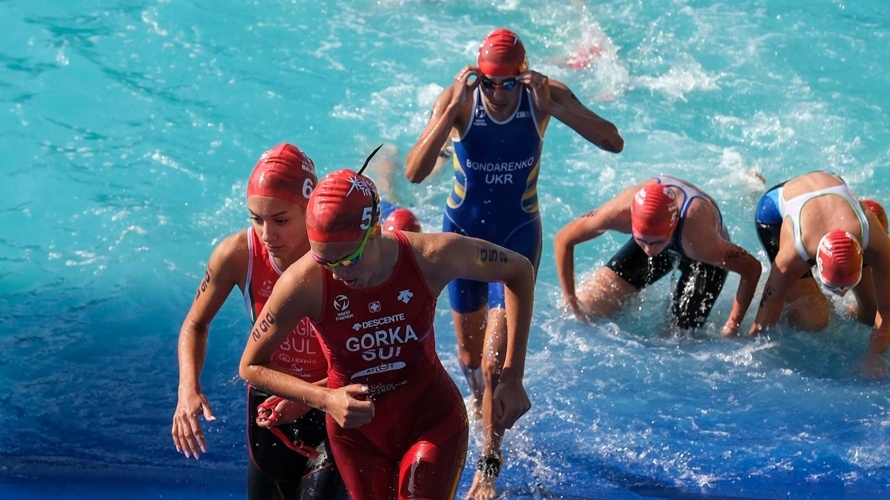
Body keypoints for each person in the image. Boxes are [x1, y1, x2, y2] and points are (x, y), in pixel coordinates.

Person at [404, 27, 624, 498]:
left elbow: (613, 142)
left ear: (523, 77)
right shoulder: (460, 99)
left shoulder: (543, 97)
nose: (499, 94)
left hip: (518, 240)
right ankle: (485, 405)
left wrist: (557, 107)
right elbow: (415, 171)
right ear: (478, 77)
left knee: (495, 366)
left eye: (509, 83)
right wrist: (449, 112)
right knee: (467, 358)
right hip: (462, 238)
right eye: (490, 83)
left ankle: (489, 464)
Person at [239, 162, 535, 500]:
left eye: (347, 260)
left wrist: (512, 376)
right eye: (326, 262)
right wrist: (323, 398)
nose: (338, 276)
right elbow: (251, 365)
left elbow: (520, 271)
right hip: (357, 438)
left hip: (432, 422)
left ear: (375, 230)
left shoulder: (432, 256)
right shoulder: (303, 282)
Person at [171, 143, 347, 499]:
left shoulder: (341, 256)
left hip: (334, 396)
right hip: (270, 401)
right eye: (256, 218)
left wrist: (314, 395)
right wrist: (187, 388)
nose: (267, 235)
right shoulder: (237, 254)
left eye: (280, 220)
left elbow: (375, 355)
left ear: (309, 210)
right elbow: (195, 324)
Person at [554, 176, 762, 336]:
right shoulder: (618, 213)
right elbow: (563, 239)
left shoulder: (700, 240)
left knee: (676, 341)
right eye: (642, 241)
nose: (649, 251)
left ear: (672, 227)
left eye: (656, 243)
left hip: (703, 260)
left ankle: (752, 187)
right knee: (586, 308)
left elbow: (752, 269)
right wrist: (571, 299)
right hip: (664, 233)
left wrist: (732, 326)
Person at [750, 171, 890, 379]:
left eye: (845, 287)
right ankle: (753, 190)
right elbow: (765, 314)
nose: (841, 295)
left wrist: (873, 357)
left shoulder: (871, 237)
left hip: (828, 189)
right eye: (834, 287)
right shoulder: (795, 253)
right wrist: (753, 352)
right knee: (813, 321)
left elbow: (887, 310)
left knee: (871, 315)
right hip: (774, 213)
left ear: (861, 255)